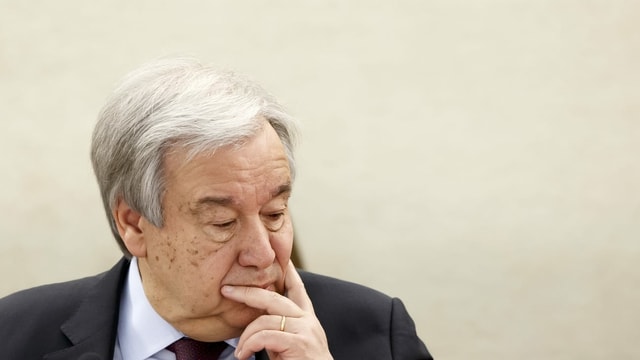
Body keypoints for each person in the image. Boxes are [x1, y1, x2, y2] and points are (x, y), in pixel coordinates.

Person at [0, 58, 432, 360]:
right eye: (222, 222)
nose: (263, 254)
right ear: (133, 222)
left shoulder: (374, 331)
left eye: (275, 213)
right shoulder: (15, 334)